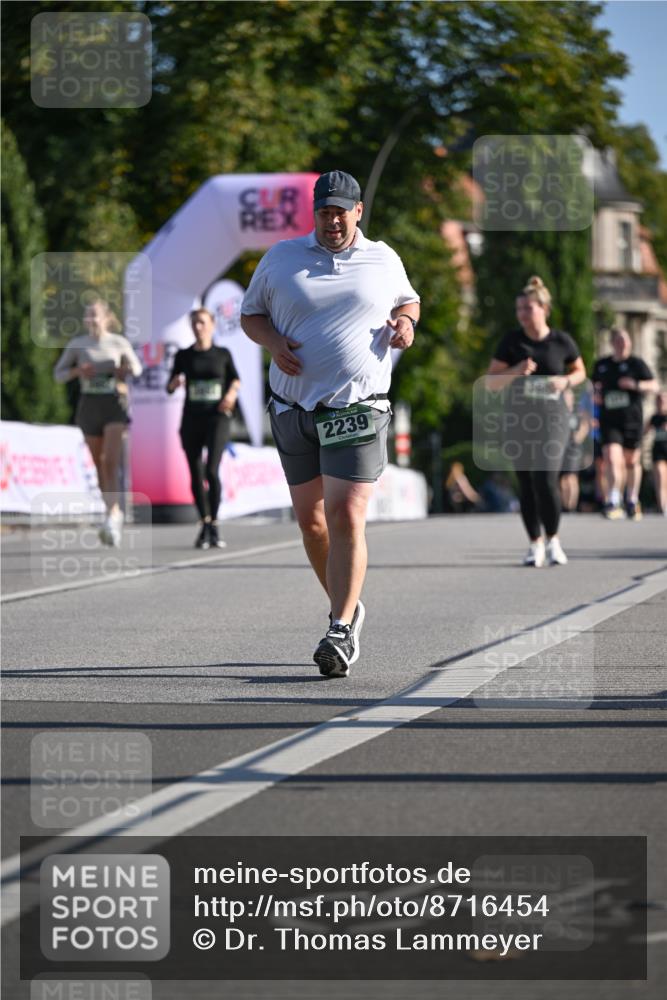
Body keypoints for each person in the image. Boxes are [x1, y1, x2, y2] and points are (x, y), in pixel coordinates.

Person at [240, 169, 419, 678]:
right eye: (324, 211)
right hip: (293, 409)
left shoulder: (383, 258)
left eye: (341, 211)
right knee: (312, 522)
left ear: (358, 211)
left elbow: (407, 300)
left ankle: (339, 628)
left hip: (358, 407)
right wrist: (273, 342)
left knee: (344, 514)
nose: (332, 220)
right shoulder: (281, 258)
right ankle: (350, 606)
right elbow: (251, 316)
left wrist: (406, 323)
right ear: (314, 213)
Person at [485, 276, 587, 567]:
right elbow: (491, 382)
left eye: (528, 308)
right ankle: (535, 544)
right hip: (519, 418)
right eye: (519, 309)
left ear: (544, 309)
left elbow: (580, 371)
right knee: (527, 482)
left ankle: (553, 539)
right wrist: (516, 369)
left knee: (545, 478)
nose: (522, 314)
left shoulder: (561, 341)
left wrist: (565, 381)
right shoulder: (512, 342)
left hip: (554, 418)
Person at [54, 298, 142, 546]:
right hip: (89, 405)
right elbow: (58, 374)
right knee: (98, 464)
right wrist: (78, 371)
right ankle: (111, 512)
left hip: (114, 405)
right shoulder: (78, 344)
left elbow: (137, 368)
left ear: (106, 318)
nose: (91, 319)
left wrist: (124, 370)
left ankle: (113, 516)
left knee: (109, 461)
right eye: (87, 315)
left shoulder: (118, 342)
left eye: (94, 315)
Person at [167, 308, 240, 549]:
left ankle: (215, 524)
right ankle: (205, 524)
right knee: (196, 473)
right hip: (191, 419)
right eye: (194, 323)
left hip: (217, 417)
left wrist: (230, 394)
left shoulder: (222, 354)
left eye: (202, 322)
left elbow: (235, 379)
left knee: (211, 470)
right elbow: (169, 385)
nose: (198, 327)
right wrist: (174, 383)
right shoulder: (184, 355)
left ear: (212, 325)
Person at [593, 328, 658, 520]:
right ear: (613, 343)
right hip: (609, 420)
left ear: (629, 343)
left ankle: (632, 498)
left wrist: (635, 385)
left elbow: (654, 385)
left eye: (625, 340)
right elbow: (593, 387)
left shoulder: (636, 364)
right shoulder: (602, 365)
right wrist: (595, 395)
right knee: (612, 458)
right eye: (619, 340)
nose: (623, 344)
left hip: (632, 420)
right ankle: (613, 499)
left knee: (631, 461)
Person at [559, 386, 592, 512]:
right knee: (563, 478)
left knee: (571, 477)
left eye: (568, 396)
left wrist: (577, 438)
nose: (566, 398)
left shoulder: (578, 411)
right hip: (561, 448)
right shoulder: (559, 412)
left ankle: (572, 505)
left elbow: (585, 425)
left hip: (574, 449)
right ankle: (564, 506)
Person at [645, 390, 667, 514]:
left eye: (664, 399)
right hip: (659, 451)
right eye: (659, 400)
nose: (662, 402)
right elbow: (645, 431)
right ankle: (662, 505)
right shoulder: (654, 418)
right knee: (660, 477)